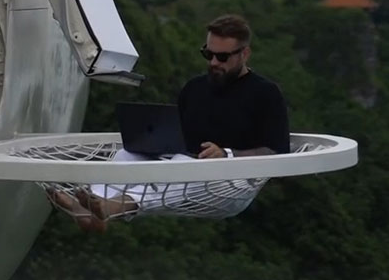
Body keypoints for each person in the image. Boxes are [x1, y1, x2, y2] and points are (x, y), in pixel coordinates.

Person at [51, 14, 290, 232]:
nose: (214, 62)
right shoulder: (195, 88)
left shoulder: (265, 93)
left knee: (182, 165)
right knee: (128, 155)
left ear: (244, 54)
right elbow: (180, 135)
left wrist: (227, 154)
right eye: (208, 54)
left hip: (232, 184)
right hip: (183, 163)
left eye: (223, 57)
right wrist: (152, 142)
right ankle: (91, 209)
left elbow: (276, 150)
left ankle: (113, 208)